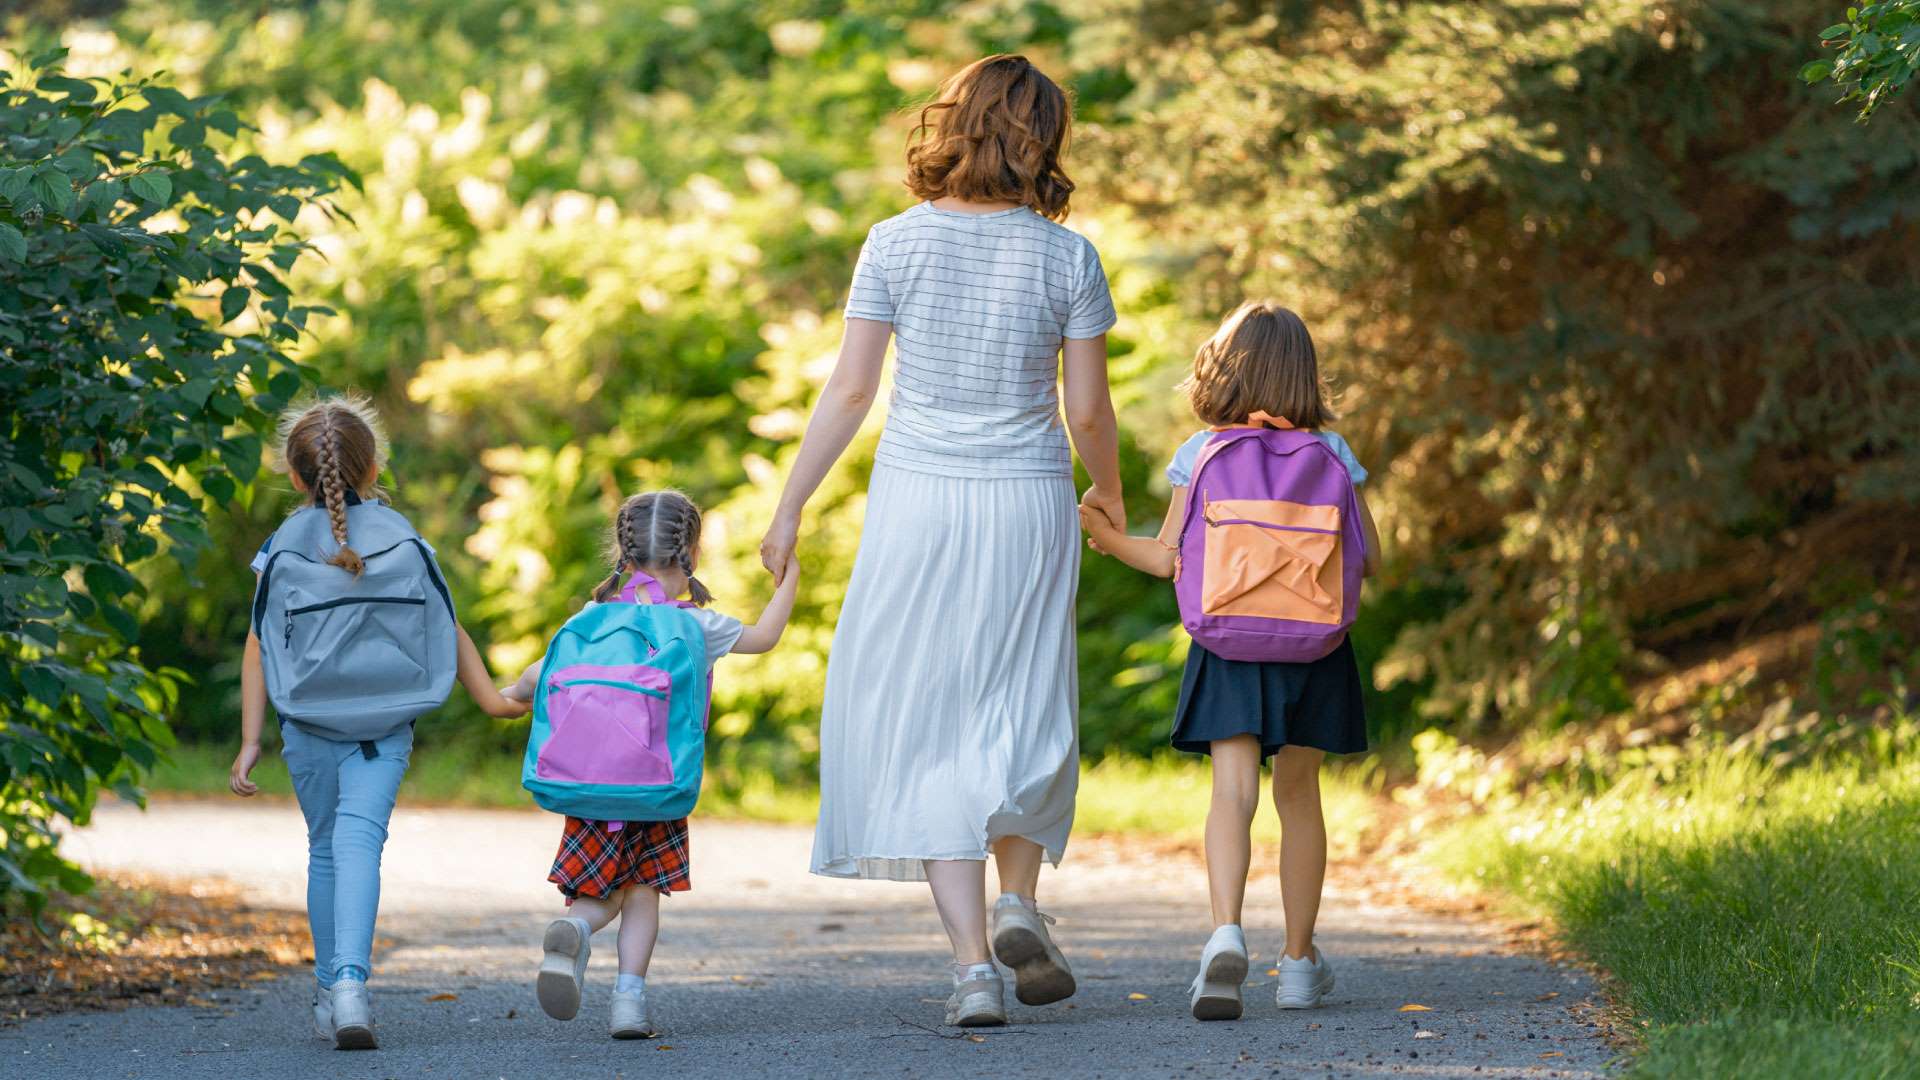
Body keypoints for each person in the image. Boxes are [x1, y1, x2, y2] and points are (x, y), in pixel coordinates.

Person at [757, 53, 1124, 1027]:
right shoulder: (1067, 256)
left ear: (949, 124)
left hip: (917, 500)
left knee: (931, 721)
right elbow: (1086, 410)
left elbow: (849, 389)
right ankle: (1018, 900)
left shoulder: (893, 243)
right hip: (1026, 499)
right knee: (1026, 699)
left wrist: (793, 504)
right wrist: (1113, 498)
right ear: (1044, 138)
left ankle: (972, 971)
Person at [1077, 301, 1382, 1020]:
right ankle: (1300, 964)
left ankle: (1224, 934)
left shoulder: (1204, 451)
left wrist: (1104, 534)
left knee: (1232, 793)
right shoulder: (1332, 454)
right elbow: (1368, 560)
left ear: (1223, 369)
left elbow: (1166, 557)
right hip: (1314, 645)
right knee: (1299, 798)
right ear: (1305, 375)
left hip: (1228, 643)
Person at [229, 395, 529, 1049]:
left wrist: (251, 740)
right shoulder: (403, 538)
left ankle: (328, 990)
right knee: (362, 845)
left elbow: (259, 644)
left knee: (325, 849)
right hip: (384, 726)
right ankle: (351, 988)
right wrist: (492, 700)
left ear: (293, 473)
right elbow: (445, 627)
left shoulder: (280, 547)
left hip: (308, 723)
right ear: (372, 469)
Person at [506, 490, 800, 1039]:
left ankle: (575, 927)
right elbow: (766, 637)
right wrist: (790, 576)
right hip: (657, 786)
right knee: (642, 894)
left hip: (587, 785)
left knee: (596, 892)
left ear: (622, 548)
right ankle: (629, 1003)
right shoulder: (696, 626)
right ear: (690, 548)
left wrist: (505, 695)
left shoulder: (591, 618)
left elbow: (536, 679)